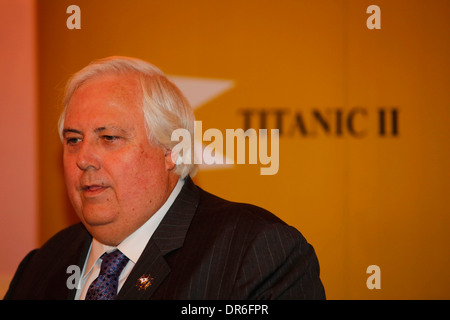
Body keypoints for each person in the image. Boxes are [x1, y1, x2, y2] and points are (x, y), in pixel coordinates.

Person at [4, 56, 325, 300]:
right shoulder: (40, 266)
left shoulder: (254, 254)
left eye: (109, 138)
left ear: (172, 150)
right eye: (73, 140)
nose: (84, 159)